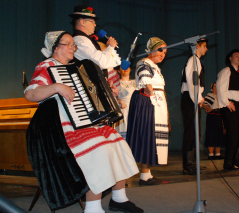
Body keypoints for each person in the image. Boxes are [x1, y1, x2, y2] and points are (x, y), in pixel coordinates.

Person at [24, 31, 143, 213]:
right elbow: (30, 94)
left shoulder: (75, 68)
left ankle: (119, 198)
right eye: (69, 44)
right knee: (100, 148)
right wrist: (56, 86)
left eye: (74, 45)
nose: (73, 48)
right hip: (59, 128)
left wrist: (108, 95)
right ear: (55, 48)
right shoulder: (46, 65)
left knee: (117, 143)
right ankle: (93, 208)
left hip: (82, 122)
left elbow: (91, 99)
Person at [126, 37, 169, 185]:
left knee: (150, 138)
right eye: (160, 50)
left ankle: (146, 174)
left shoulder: (154, 66)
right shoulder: (144, 62)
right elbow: (146, 82)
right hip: (148, 103)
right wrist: (152, 98)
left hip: (154, 103)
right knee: (147, 137)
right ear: (151, 49)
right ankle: (144, 176)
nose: (163, 54)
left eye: (165, 51)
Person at [216, 49, 239, 170]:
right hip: (228, 104)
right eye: (236, 56)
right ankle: (228, 163)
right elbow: (220, 87)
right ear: (230, 58)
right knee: (233, 133)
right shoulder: (226, 71)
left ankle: (237, 160)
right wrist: (226, 102)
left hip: (237, 104)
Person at [180, 38, 208, 175]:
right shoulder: (193, 60)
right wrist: (197, 98)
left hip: (193, 98)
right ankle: (188, 164)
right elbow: (192, 83)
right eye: (204, 46)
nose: (206, 49)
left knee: (195, 131)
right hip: (190, 98)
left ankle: (193, 162)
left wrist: (199, 97)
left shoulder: (196, 60)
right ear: (198, 46)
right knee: (191, 130)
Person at [69, 5, 121, 73]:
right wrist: (110, 47)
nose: (95, 25)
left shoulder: (84, 40)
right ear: (82, 22)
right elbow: (102, 62)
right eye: (92, 21)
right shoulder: (80, 41)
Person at [202, 82, 226, 160]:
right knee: (211, 134)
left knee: (219, 134)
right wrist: (208, 109)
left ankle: (218, 154)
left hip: (220, 117)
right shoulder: (210, 95)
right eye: (215, 86)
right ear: (212, 88)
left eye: (217, 86)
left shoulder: (221, 96)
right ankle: (211, 154)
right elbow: (204, 104)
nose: (216, 87)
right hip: (212, 116)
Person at [115, 66, 136, 139]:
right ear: (119, 71)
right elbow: (111, 98)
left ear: (130, 69)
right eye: (122, 67)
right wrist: (120, 101)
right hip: (124, 111)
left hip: (136, 111)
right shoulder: (117, 83)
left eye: (127, 67)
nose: (125, 68)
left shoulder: (136, 82)